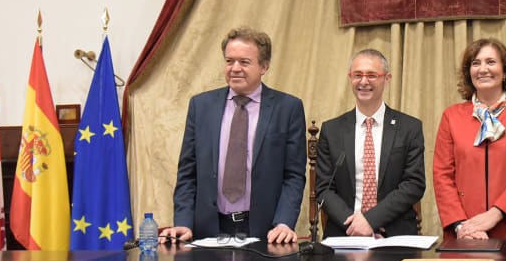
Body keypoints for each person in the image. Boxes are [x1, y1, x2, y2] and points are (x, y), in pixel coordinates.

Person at [162, 27, 306, 244]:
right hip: (207, 232)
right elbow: (187, 172)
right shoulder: (201, 106)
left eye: (244, 62)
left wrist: (284, 222)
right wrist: (183, 221)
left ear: (264, 66)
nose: (235, 68)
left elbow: (293, 176)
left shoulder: (288, 108)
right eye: (229, 61)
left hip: (265, 234)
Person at [433, 38, 506, 241]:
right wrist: (461, 226)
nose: (483, 69)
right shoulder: (451, 116)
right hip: (465, 233)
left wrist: (495, 214)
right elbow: (442, 175)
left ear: (505, 71)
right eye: (476, 63)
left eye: (491, 62)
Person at [315, 49, 425, 238]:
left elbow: (413, 184)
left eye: (372, 75)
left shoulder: (409, 128)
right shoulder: (331, 130)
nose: (363, 81)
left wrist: (371, 220)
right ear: (350, 78)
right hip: (345, 233)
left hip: (395, 234)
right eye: (357, 75)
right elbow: (324, 188)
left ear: (387, 78)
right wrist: (355, 225)